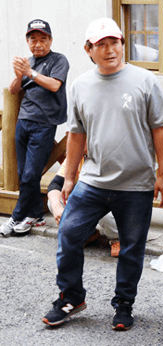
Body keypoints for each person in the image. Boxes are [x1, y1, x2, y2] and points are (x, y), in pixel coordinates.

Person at [42, 17, 163, 331]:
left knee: (131, 248)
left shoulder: (144, 80)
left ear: (122, 45)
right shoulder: (81, 85)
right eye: (101, 44)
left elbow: (160, 130)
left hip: (137, 183)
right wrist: (69, 177)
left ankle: (124, 305)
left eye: (114, 42)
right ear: (89, 50)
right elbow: (76, 135)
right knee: (69, 234)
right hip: (93, 181)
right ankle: (72, 296)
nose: (110, 49)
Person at [2, 19, 69, 237]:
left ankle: (17, 216)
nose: (38, 44)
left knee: (31, 174)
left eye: (42, 39)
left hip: (44, 123)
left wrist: (29, 72)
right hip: (23, 121)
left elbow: (54, 85)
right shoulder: (28, 63)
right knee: (24, 174)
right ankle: (36, 216)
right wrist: (18, 74)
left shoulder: (59, 60)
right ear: (27, 41)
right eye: (33, 39)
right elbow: (13, 91)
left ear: (50, 40)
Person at [47, 156, 120, 257]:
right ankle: (88, 233)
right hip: (86, 200)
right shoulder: (77, 155)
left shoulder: (107, 155)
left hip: (111, 201)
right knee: (54, 201)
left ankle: (117, 239)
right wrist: (56, 207)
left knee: (104, 210)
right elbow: (55, 184)